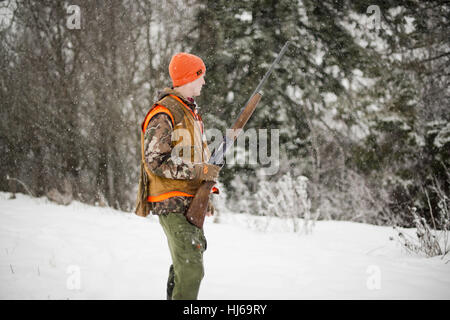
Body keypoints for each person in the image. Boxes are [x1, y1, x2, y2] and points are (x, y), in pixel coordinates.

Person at [140, 52, 220, 300]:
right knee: (190, 269)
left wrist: (206, 194)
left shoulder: (190, 113)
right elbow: (155, 161)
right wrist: (200, 172)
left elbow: (196, 159)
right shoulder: (165, 113)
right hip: (172, 203)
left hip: (188, 201)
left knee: (184, 266)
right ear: (189, 78)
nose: (204, 82)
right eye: (201, 76)